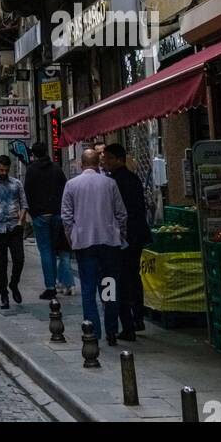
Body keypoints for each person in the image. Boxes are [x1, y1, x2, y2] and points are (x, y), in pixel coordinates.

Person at [61, 148, 127, 346]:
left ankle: (93, 331)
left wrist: (72, 238)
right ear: (98, 164)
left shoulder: (72, 185)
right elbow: (121, 214)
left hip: (85, 244)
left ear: (81, 165)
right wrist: (119, 234)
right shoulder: (110, 183)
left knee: (88, 289)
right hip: (109, 244)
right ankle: (112, 330)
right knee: (109, 288)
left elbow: (66, 217)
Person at [101, 143, 150, 339]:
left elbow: (118, 213)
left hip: (120, 237)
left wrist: (118, 234)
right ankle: (138, 317)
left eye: (108, 158)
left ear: (119, 159)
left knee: (114, 279)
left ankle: (122, 324)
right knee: (134, 275)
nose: (105, 162)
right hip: (137, 234)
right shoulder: (134, 179)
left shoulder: (112, 183)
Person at [24, 142, 74, 298]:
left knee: (45, 251)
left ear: (33, 154)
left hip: (40, 215)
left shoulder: (31, 170)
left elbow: (27, 192)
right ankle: (57, 282)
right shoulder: (56, 168)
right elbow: (65, 190)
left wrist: (32, 212)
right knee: (54, 249)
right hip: (56, 214)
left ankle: (50, 285)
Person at [0, 155, 27, 310]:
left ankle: (14, 284)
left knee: (19, 259)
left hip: (15, 227)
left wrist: (21, 221)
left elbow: (24, 204)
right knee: (0, 264)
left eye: (6, 170)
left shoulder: (16, 184)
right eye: (1, 169)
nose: (4, 172)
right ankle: (4, 295)